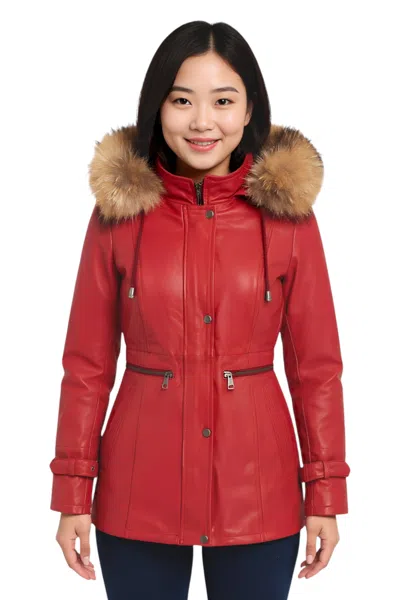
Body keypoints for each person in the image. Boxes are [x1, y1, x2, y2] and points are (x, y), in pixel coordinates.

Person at [49, 20, 351, 600]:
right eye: (182, 100)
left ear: (249, 109)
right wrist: (72, 492)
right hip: (138, 487)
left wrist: (326, 492)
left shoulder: (288, 219)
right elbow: (86, 366)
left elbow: (316, 369)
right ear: (157, 107)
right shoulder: (118, 215)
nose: (202, 121)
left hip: (257, 490)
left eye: (223, 101)